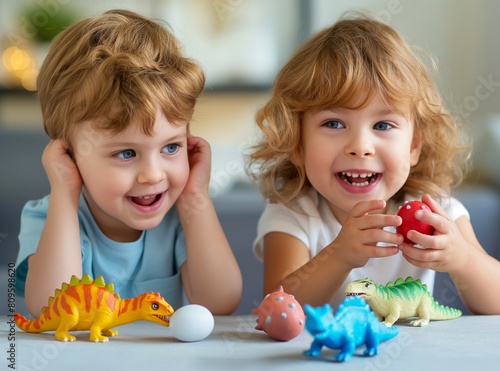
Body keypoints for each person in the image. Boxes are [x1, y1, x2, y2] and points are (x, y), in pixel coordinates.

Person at [247, 13, 500, 314]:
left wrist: (463, 260)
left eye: (382, 126)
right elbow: (276, 309)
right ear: (297, 144)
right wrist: (339, 255)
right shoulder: (295, 214)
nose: (360, 147)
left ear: (414, 146)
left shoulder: (437, 210)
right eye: (334, 123)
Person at [16, 9, 242, 317]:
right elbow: (50, 309)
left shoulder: (179, 217)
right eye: (126, 153)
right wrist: (65, 194)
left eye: (171, 147)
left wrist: (195, 197)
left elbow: (221, 302)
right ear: (68, 155)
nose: (153, 174)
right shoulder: (49, 216)